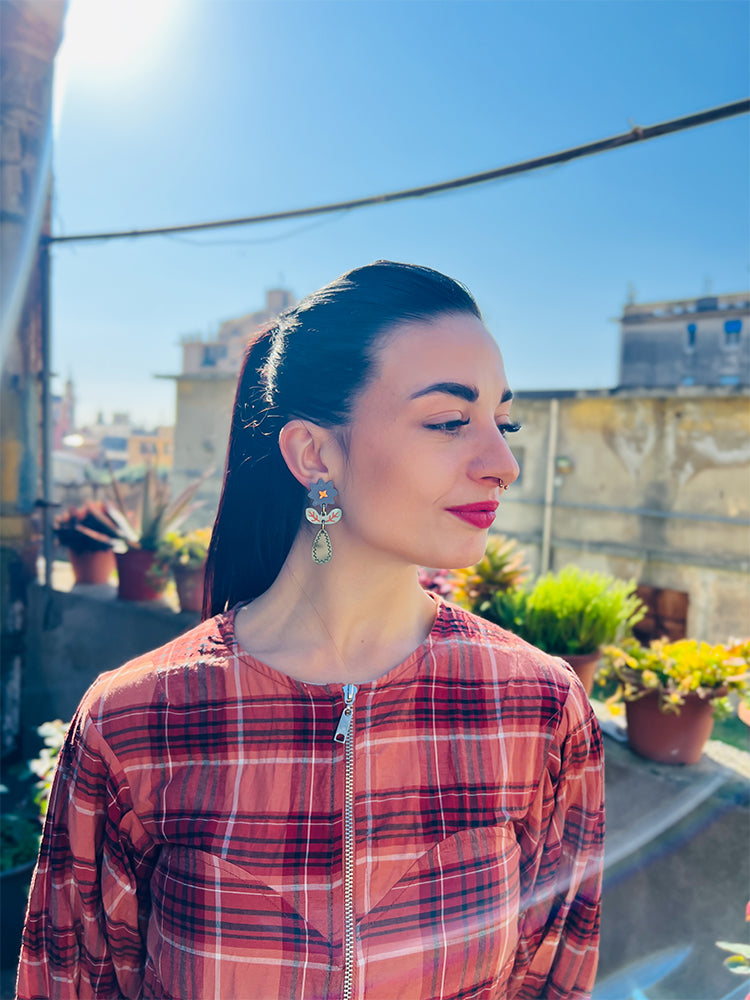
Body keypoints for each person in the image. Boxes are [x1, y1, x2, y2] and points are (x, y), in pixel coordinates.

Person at [17, 261, 604, 1000]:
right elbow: (68, 982)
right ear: (315, 454)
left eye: (502, 421)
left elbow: (555, 981)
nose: (503, 463)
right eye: (451, 421)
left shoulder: (540, 708)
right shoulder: (133, 720)